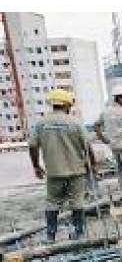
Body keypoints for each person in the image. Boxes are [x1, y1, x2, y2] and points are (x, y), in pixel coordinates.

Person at [28, 89, 96, 242]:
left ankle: (51, 235)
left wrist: (36, 166)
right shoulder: (75, 122)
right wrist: (93, 163)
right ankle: (79, 232)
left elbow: (32, 146)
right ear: (67, 105)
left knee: (52, 202)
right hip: (76, 170)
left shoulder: (41, 123)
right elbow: (87, 145)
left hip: (54, 171)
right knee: (77, 201)